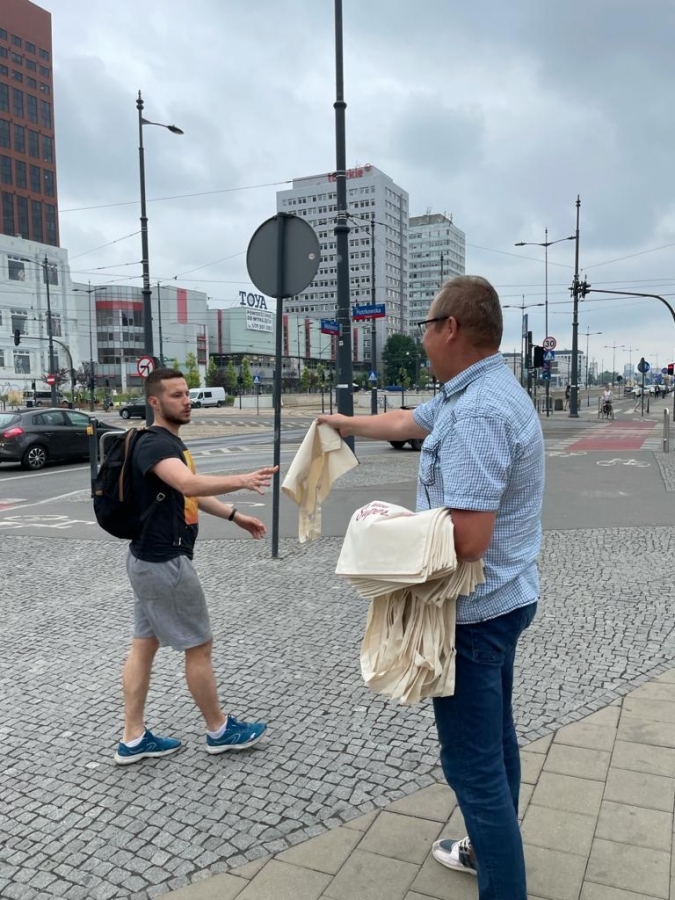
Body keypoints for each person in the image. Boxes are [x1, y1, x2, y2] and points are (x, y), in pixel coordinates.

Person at [318, 276, 544, 900]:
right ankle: (485, 850)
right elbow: (406, 420)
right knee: (496, 745)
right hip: (509, 597)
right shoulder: (481, 388)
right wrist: (343, 422)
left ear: (450, 328)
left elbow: (467, 540)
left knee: (473, 768)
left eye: (424, 326)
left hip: (474, 616)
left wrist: (387, 527)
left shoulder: (476, 413)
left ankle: (502, 881)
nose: (419, 339)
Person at [115, 368, 278, 766]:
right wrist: (242, 479)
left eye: (187, 393)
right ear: (155, 402)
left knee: (144, 645)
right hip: (164, 562)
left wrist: (235, 516)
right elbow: (188, 484)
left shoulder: (168, 443)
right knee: (199, 646)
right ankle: (219, 730)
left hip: (146, 560)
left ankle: (133, 738)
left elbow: (187, 491)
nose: (187, 401)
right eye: (176, 395)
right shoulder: (155, 444)